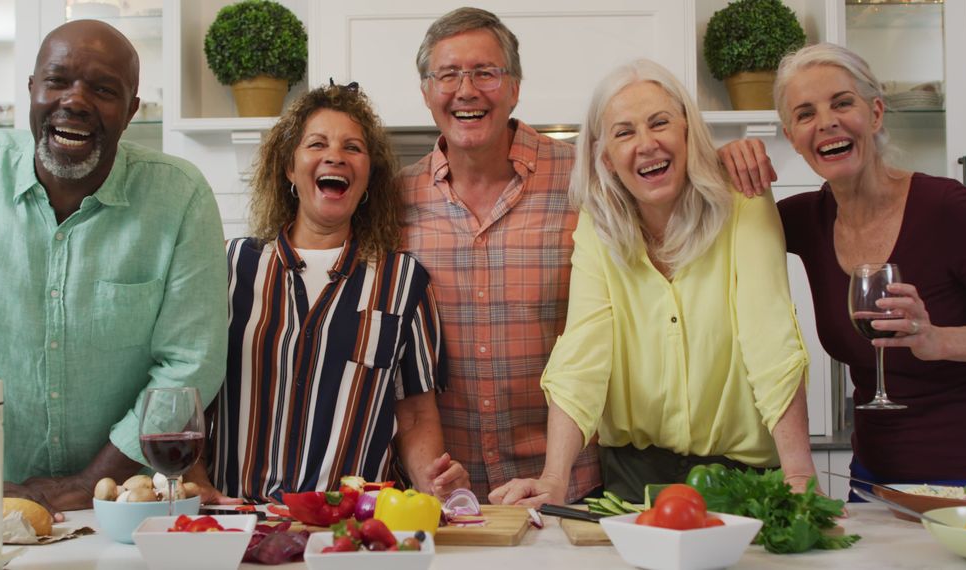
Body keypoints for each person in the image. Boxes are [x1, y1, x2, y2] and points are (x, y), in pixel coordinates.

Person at [0, 20, 228, 518]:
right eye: (57, 80)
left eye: (103, 89)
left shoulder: (181, 197)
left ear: (131, 111)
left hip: (125, 502)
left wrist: (92, 483)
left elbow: (188, 365)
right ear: (31, 89)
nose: (75, 100)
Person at [489, 59, 818, 507]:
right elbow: (583, 351)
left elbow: (771, 337)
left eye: (659, 123)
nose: (646, 144)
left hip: (744, 477)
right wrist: (553, 478)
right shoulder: (598, 226)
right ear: (606, 157)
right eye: (624, 132)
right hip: (632, 477)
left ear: (687, 132)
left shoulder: (742, 203)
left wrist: (799, 473)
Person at [732, 43, 966, 494]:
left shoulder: (947, 209)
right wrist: (728, 160)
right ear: (793, 138)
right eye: (805, 114)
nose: (826, 122)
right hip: (872, 482)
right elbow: (711, 220)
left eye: (842, 103)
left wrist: (938, 339)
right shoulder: (802, 221)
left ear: (875, 114)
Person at [184, 83, 469, 503]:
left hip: (353, 528)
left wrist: (435, 486)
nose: (335, 155)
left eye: (353, 148)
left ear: (369, 175)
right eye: (316, 143)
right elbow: (192, 393)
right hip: (239, 519)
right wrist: (195, 480)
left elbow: (414, 416)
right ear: (288, 168)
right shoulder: (231, 266)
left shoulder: (403, 280)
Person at [400, 7, 602, 502]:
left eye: (485, 72)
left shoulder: (588, 177)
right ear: (426, 91)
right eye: (448, 74)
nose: (466, 90)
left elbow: (668, 182)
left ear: (514, 87)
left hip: (573, 485)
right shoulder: (394, 198)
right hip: (446, 493)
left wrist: (727, 156)